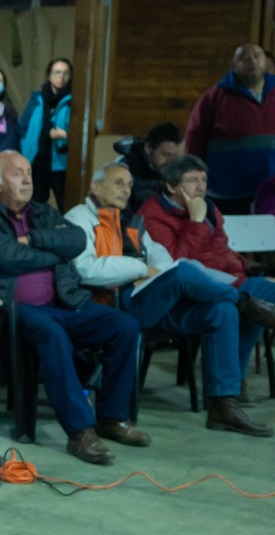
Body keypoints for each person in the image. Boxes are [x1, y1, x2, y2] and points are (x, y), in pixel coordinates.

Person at [0, 151, 146, 465]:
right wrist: (53, 251)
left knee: (124, 326)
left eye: (29, 171)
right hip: (12, 311)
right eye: (17, 173)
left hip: (65, 302)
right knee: (52, 334)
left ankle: (112, 418)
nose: (28, 178)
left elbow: (75, 241)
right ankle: (80, 432)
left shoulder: (43, 213)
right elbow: (5, 256)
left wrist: (30, 239)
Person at [67, 161, 274, 436]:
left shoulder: (129, 219)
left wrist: (157, 272)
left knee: (220, 310)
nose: (126, 190)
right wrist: (143, 269)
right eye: (118, 183)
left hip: (150, 296)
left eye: (129, 184)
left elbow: (158, 253)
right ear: (95, 185)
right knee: (184, 272)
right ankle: (245, 303)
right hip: (114, 304)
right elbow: (86, 269)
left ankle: (223, 405)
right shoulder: (78, 218)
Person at [138, 154, 275, 374]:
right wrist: (196, 222)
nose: (201, 187)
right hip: (185, 292)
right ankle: (234, 381)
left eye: (203, 180)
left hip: (225, 282)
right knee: (256, 300)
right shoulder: (154, 216)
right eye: (193, 180)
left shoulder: (207, 208)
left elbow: (222, 250)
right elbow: (178, 264)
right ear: (172, 187)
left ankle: (235, 381)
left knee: (256, 307)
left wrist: (242, 272)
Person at [184, 42, 275, 206]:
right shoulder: (215, 97)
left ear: (265, 61)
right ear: (233, 65)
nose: (252, 61)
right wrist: (194, 182)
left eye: (257, 56)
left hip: (271, 193)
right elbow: (194, 139)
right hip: (225, 194)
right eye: (244, 58)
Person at [18, 57, 74, 207]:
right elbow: (23, 127)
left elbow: (89, 131)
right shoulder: (37, 99)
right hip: (37, 159)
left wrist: (67, 136)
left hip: (61, 163)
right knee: (34, 205)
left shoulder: (75, 101)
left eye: (66, 73)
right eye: (57, 72)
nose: (61, 77)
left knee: (66, 205)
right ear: (49, 75)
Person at [118, 122, 184, 216]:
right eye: (166, 154)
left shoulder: (169, 170)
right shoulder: (124, 171)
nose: (171, 162)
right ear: (148, 148)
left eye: (175, 156)